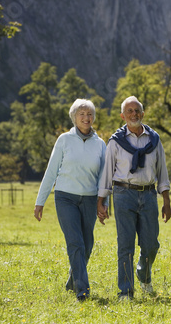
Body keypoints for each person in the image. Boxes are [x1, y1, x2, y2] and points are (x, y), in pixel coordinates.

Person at [97, 95, 171, 300]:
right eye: (129, 111)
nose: (134, 114)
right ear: (123, 116)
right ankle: (125, 291)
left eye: (137, 110)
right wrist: (101, 201)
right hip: (123, 194)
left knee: (150, 244)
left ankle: (143, 274)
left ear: (143, 113)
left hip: (148, 195)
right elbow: (107, 174)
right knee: (125, 244)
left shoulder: (154, 140)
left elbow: (162, 171)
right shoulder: (115, 142)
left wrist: (166, 200)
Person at [34, 99, 106, 302]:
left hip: (90, 199)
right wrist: (40, 201)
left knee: (88, 243)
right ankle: (82, 290)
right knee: (75, 242)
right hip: (65, 197)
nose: (86, 117)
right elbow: (51, 172)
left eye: (89, 114)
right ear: (74, 117)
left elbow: (104, 176)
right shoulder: (64, 140)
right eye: (82, 114)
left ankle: (72, 281)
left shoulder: (100, 144)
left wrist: (104, 203)